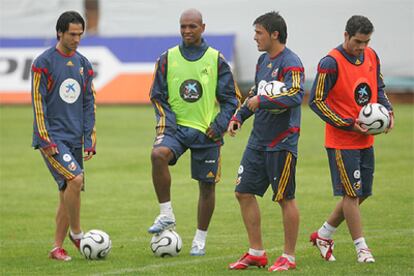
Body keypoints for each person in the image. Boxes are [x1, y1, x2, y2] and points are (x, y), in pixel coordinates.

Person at [148, 8, 240, 256]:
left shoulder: (215, 59)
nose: (187, 31)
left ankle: (199, 239)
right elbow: (156, 96)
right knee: (158, 155)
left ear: (203, 27)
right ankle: (166, 214)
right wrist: (168, 123)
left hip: (206, 132)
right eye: (183, 27)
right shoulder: (167, 58)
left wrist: (219, 125)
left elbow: (231, 99)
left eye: (192, 26)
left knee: (206, 187)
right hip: (175, 129)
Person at [308, 15, 394, 263]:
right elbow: (316, 101)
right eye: (358, 41)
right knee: (351, 194)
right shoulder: (329, 63)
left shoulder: (371, 56)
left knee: (362, 192)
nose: (362, 47)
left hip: (365, 139)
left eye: (366, 42)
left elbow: (378, 86)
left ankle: (324, 234)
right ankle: (362, 249)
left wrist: (388, 111)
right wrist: (347, 124)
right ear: (346, 35)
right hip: (341, 140)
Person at [227, 11, 304, 272]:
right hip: (258, 140)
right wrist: (240, 115)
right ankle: (256, 252)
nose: (255, 37)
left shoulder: (291, 62)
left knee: (284, 198)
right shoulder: (262, 61)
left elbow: (295, 95)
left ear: (274, 34)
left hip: (282, 142)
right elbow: (255, 93)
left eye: (259, 32)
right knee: (243, 192)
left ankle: (289, 257)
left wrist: (264, 101)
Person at [31, 11, 96, 261]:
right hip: (52, 138)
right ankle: (77, 234)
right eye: (72, 34)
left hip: (74, 138)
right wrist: (45, 139)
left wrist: (89, 138)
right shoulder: (43, 62)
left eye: (80, 34)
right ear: (59, 32)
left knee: (69, 190)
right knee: (76, 180)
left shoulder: (83, 64)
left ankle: (56, 247)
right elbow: (38, 103)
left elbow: (89, 102)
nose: (77, 39)